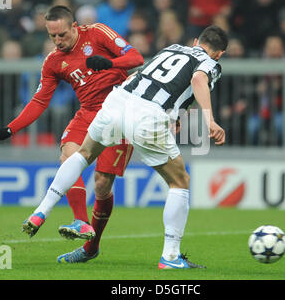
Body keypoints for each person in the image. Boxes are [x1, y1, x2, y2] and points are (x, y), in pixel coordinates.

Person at [22, 25, 228, 269]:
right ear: (220, 53)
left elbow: (141, 76)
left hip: (117, 100)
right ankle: (170, 257)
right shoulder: (211, 63)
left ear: (195, 41)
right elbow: (197, 80)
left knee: (83, 154)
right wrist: (210, 120)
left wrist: (177, 115)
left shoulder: (172, 48)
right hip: (147, 115)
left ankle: (42, 211)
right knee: (180, 181)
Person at [0, 6, 144, 244]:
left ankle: (92, 245)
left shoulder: (98, 32)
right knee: (68, 157)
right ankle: (80, 221)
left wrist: (110, 63)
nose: (58, 41)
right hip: (88, 113)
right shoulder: (53, 62)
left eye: (62, 34)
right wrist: (10, 129)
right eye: (52, 36)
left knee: (101, 184)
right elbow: (39, 101)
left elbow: (137, 58)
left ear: (74, 26)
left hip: (118, 112)